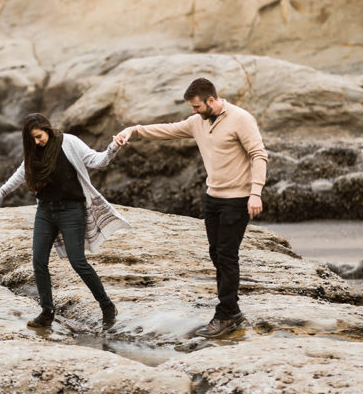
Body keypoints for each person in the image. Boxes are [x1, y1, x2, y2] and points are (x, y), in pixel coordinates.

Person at [114, 77, 267, 336]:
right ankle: (233, 310)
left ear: (211, 100)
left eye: (196, 107)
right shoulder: (198, 122)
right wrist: (134, 130)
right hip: (213, 197)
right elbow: (168, 130)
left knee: (227, 256)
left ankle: (226, 314)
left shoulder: (241, 118)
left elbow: (258, 154)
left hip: (238, 199)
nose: (193, 112)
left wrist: (256, 193)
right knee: (216, 254)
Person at [0, 113, 129, 329]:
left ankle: (107, 306)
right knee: (38, 261)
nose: (37, 142)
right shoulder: (34, 151)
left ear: (47, 129)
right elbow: (22, 173)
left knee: (78, 261)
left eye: (39, 136)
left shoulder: (69, 142)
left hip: (72, 210)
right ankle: (47, 312)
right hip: (45, 212)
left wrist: (113, 147)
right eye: (32, 139)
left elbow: (98, 161)